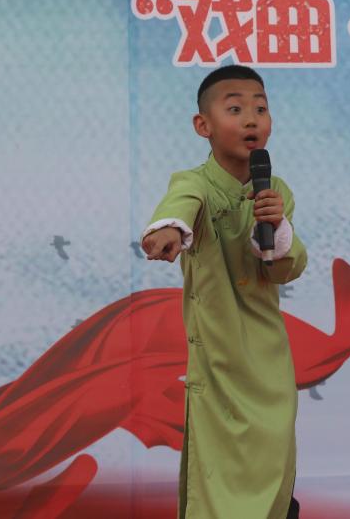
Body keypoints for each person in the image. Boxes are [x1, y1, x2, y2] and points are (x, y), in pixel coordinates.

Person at [141, 65, 307, 519]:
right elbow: (180, 205)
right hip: (217, 368)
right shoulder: (193, 182)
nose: (252, 119)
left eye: (261, 109)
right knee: (219, 492)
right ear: (203, 125)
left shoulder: (276, 190)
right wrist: (169, 230)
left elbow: (285, 268)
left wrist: (276, 225)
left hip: (267, 366)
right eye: (235, 109)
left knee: (272, 479)